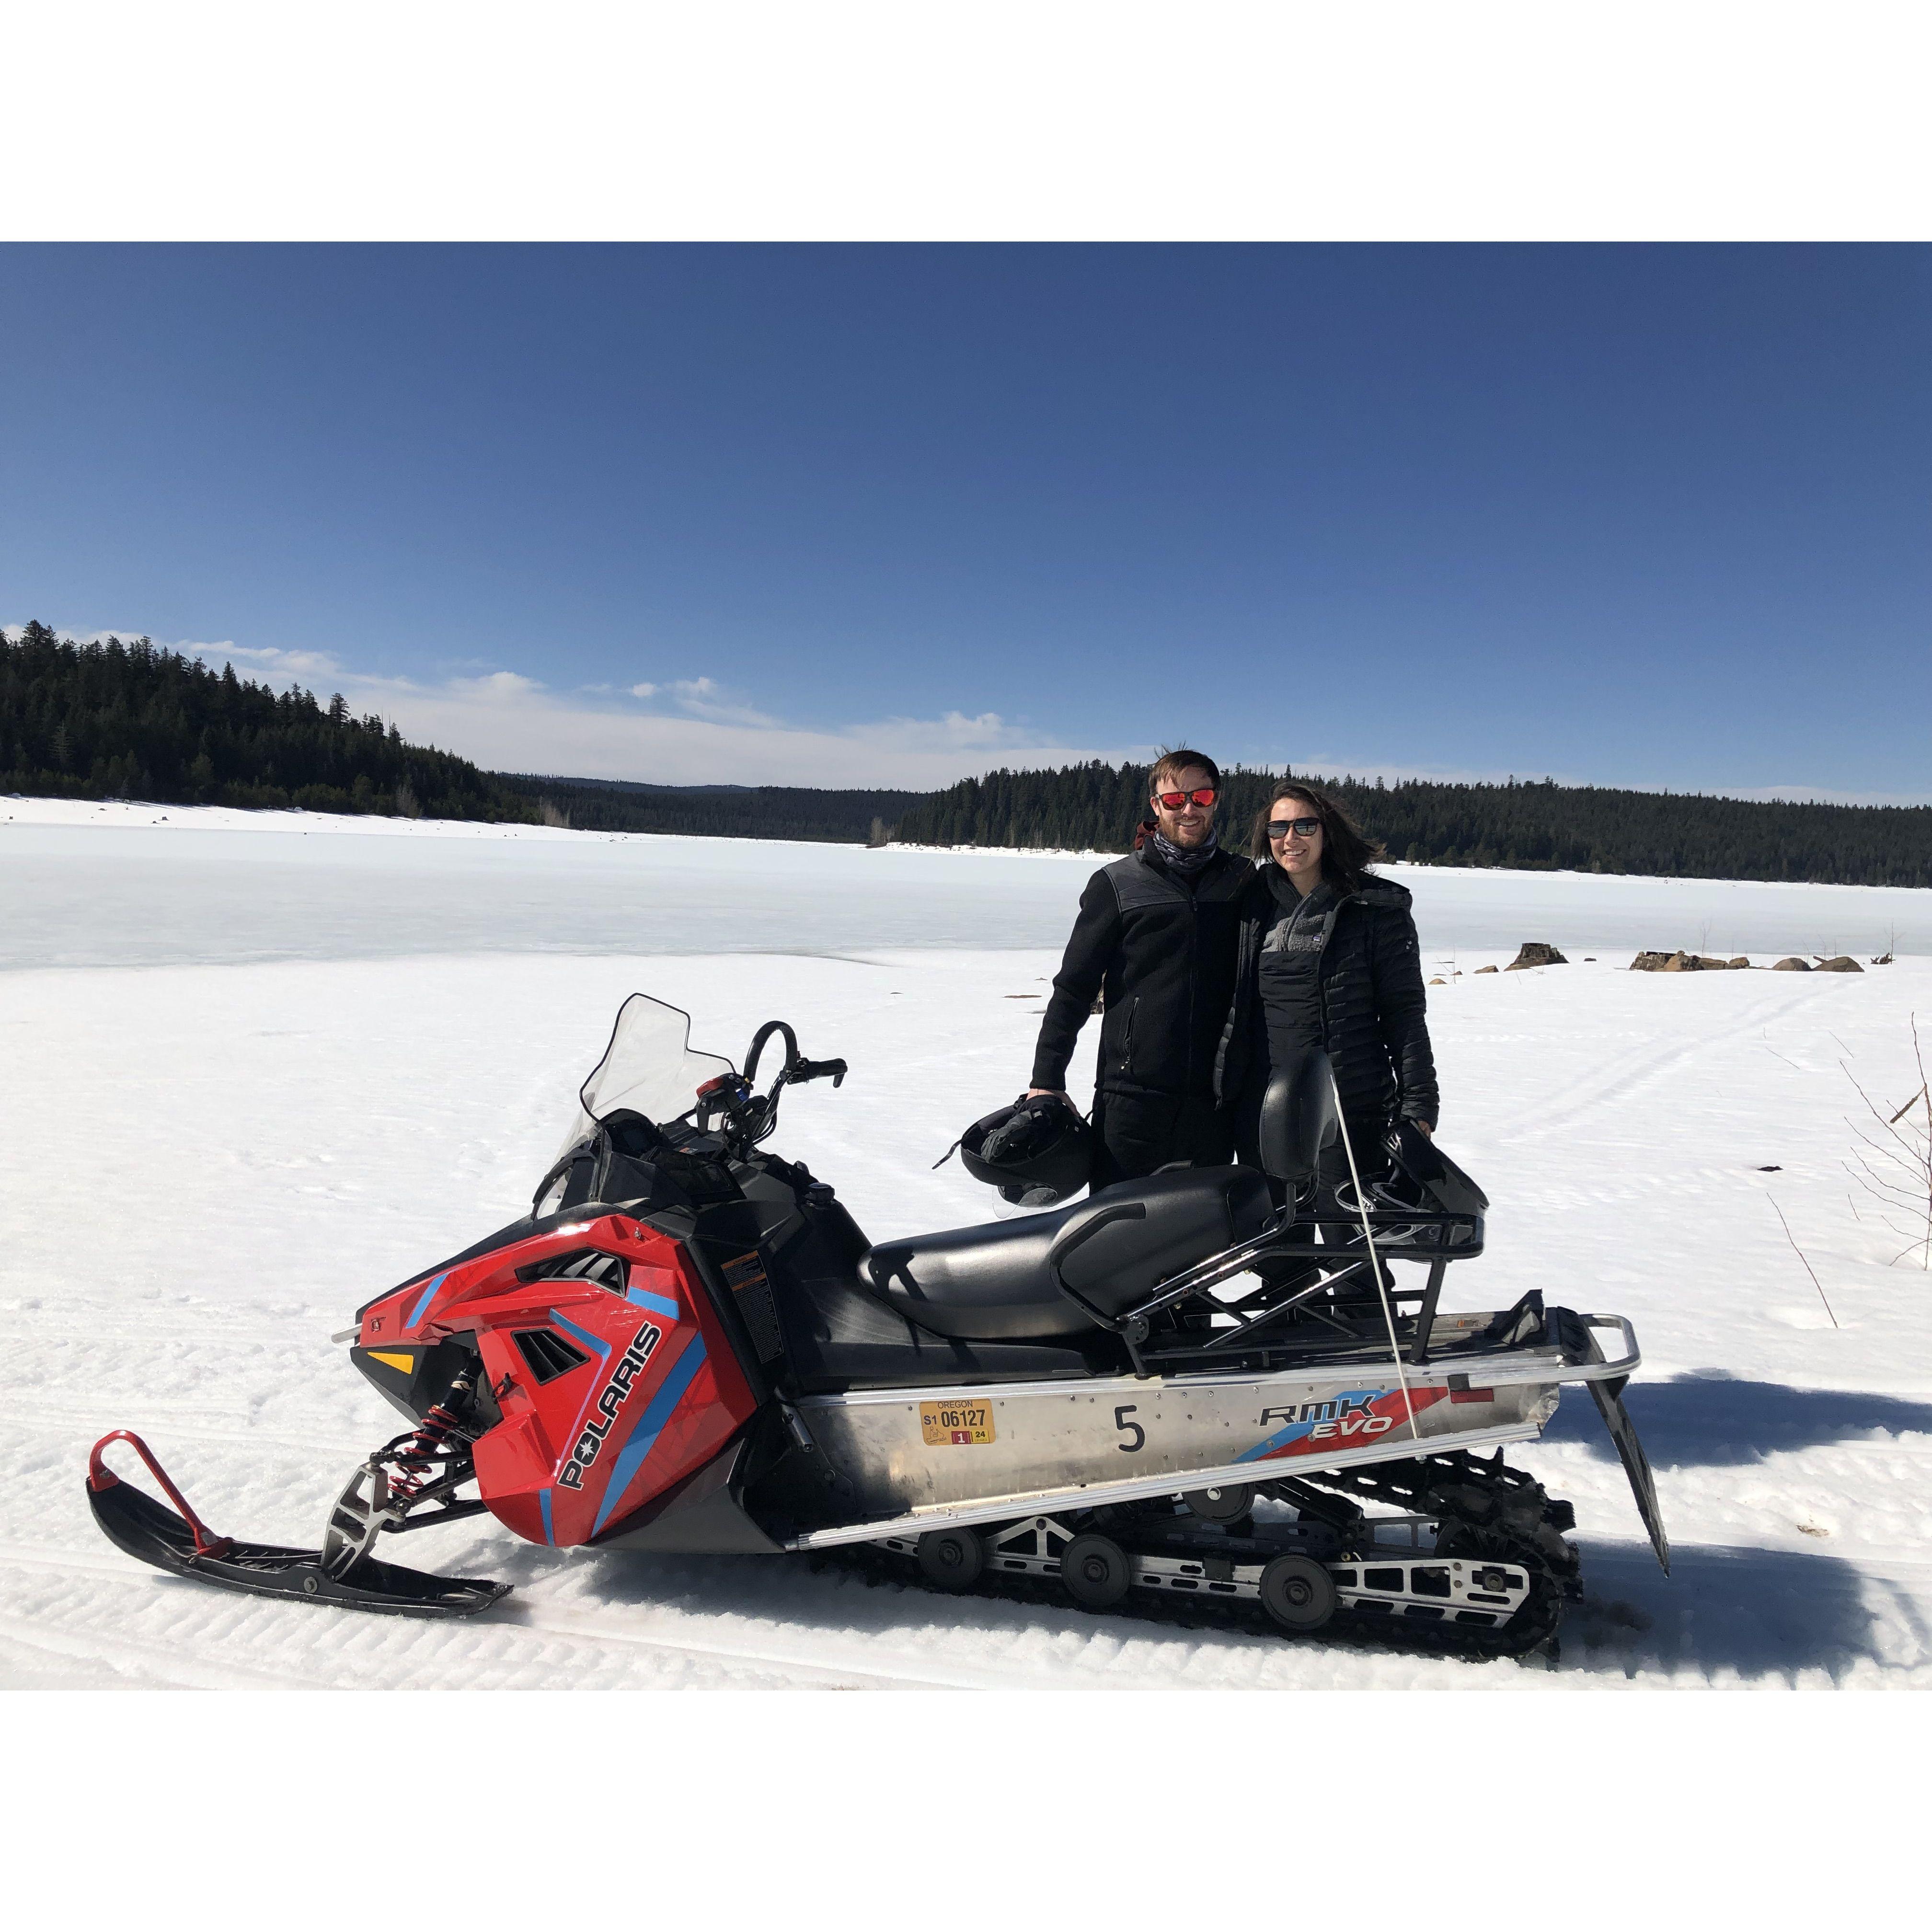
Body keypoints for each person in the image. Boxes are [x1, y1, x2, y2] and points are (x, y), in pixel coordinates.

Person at [1028, 750, 1252, 1184]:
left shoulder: (1243, 881)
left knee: (1207, 1242)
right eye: (1175, 800)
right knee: (1115, 1238)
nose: (1189, 809)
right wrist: (1047, 1078)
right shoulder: (1117, 884)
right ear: (1156, 805)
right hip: (1131, 1101)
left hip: (1216, 1103)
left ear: (1216, 801)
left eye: (1201, 796)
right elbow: (1074, 988)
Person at [1219, 778, 1438, 1211]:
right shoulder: (1250, 901)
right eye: (1278, 829)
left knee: (1352, 1254)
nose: (1290, 839)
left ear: (1327, 831)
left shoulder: (1374, 907)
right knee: (1277, 1253)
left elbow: (1404, 1012)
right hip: (1268, 1107)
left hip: (1348, 1107)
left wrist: (1419, 1102)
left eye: (1305, 826)